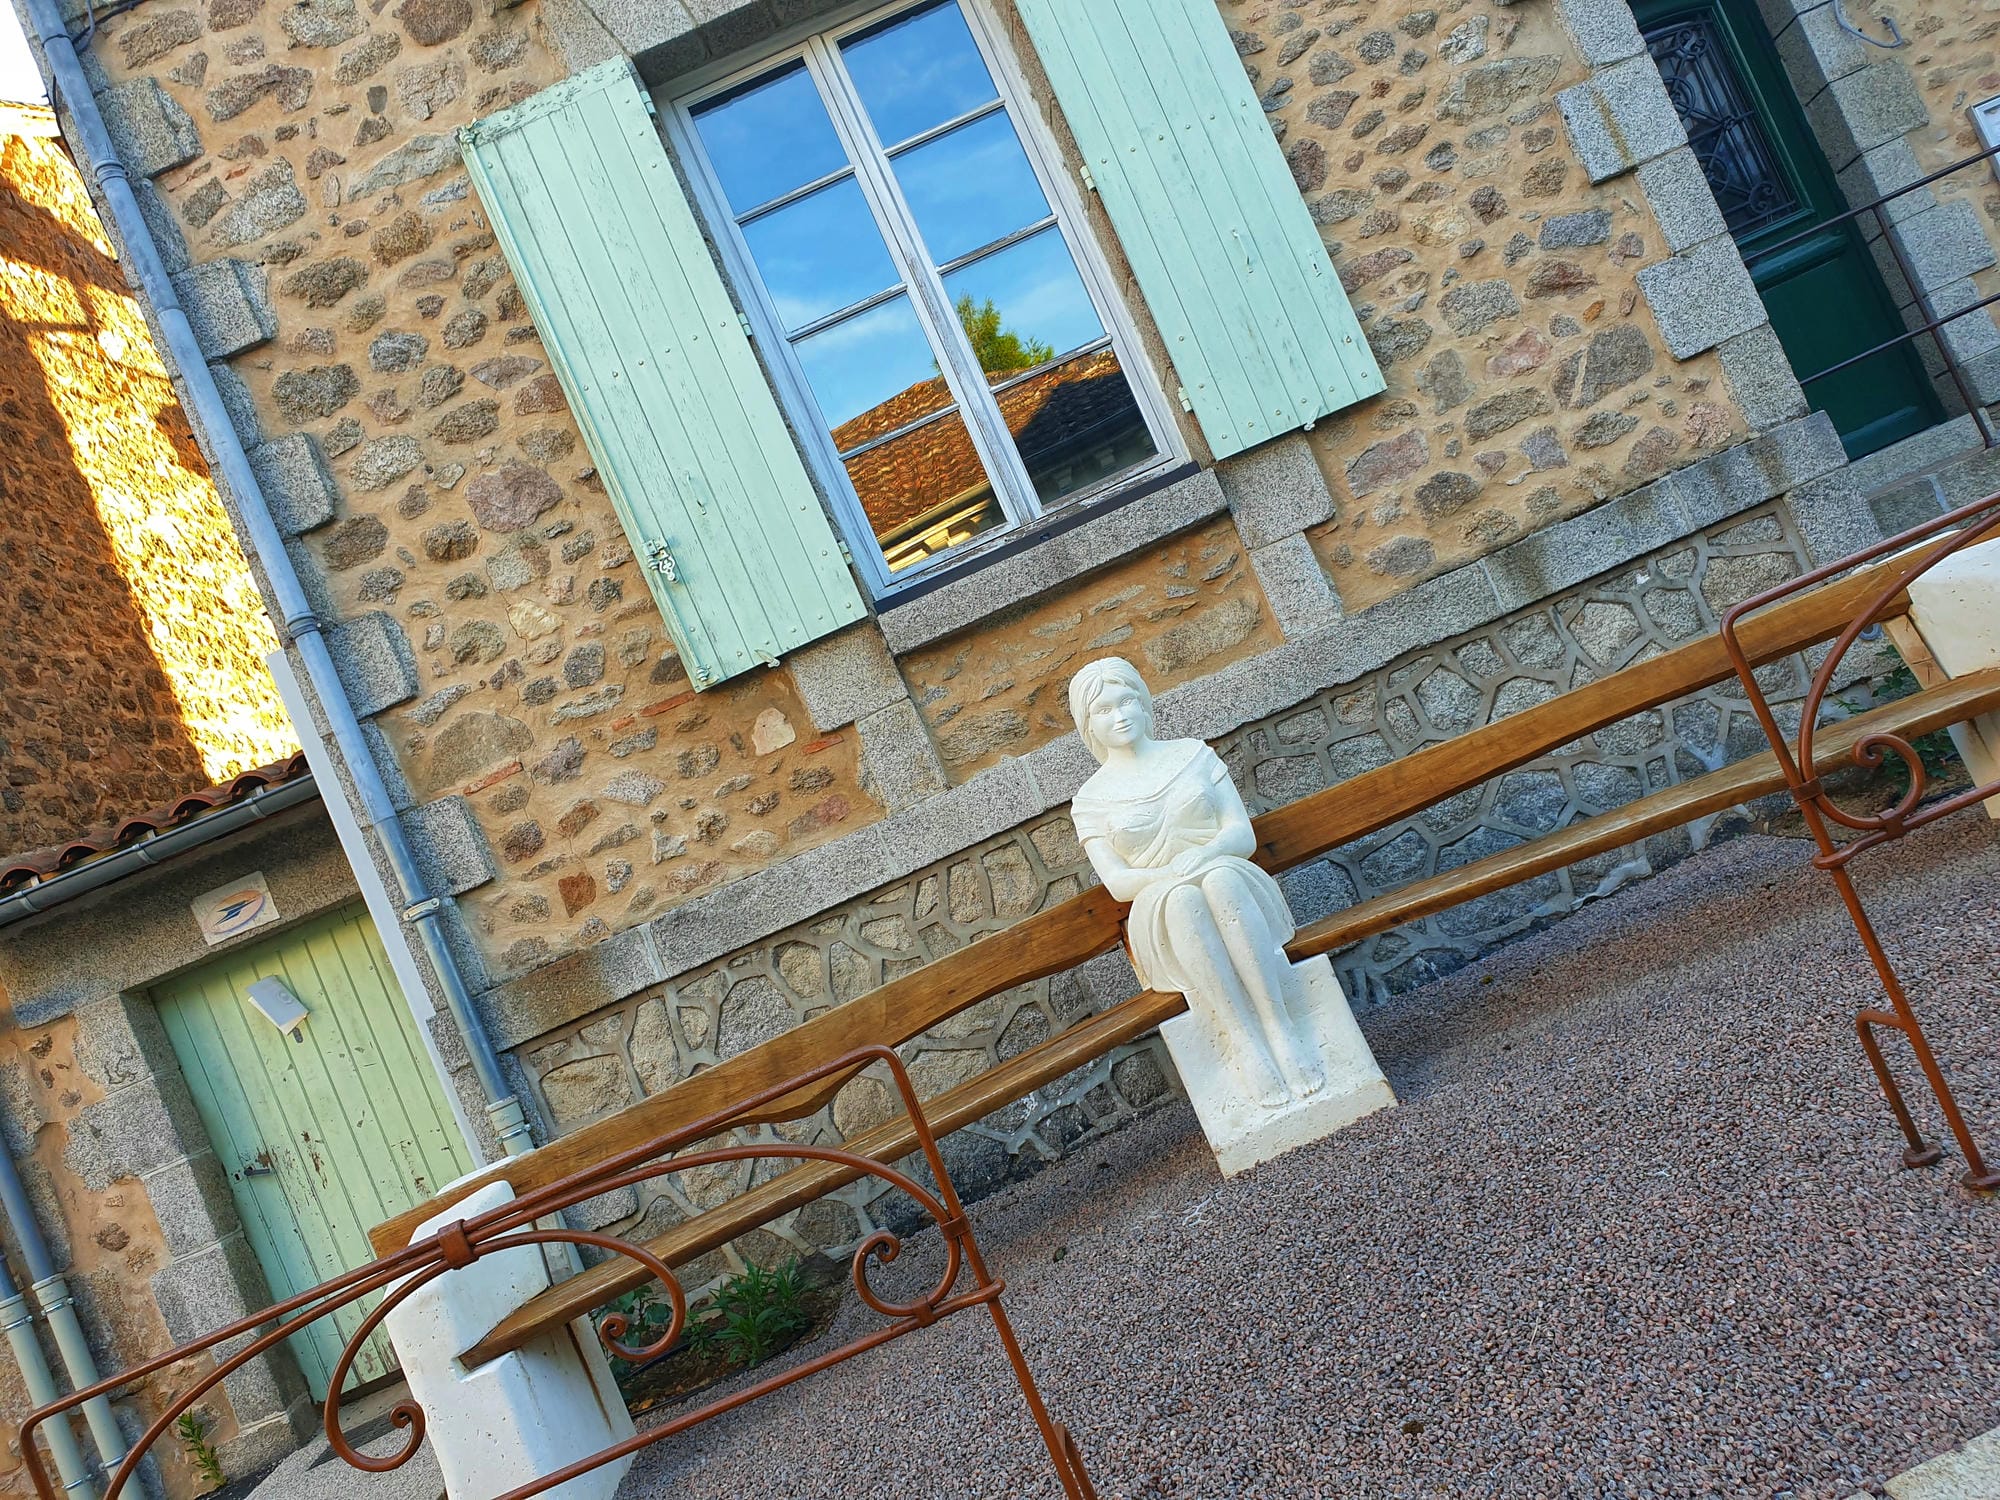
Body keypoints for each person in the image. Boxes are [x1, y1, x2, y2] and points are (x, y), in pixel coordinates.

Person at [1067, 658, 1324, 1107]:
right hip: (1160, 908)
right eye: (1104, 710)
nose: (1120, 716)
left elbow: (1241, 835)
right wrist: (1169, 875)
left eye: (1126, 701)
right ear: (1087, 724)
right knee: (1184, 901)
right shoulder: (1090, 801)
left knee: (1221, 881)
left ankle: (1280, 1026)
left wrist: (1203, 856)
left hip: (1231, 877)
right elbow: (1119, 883)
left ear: (1144, 702)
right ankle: (1243, 1039)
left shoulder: (1193, 755)